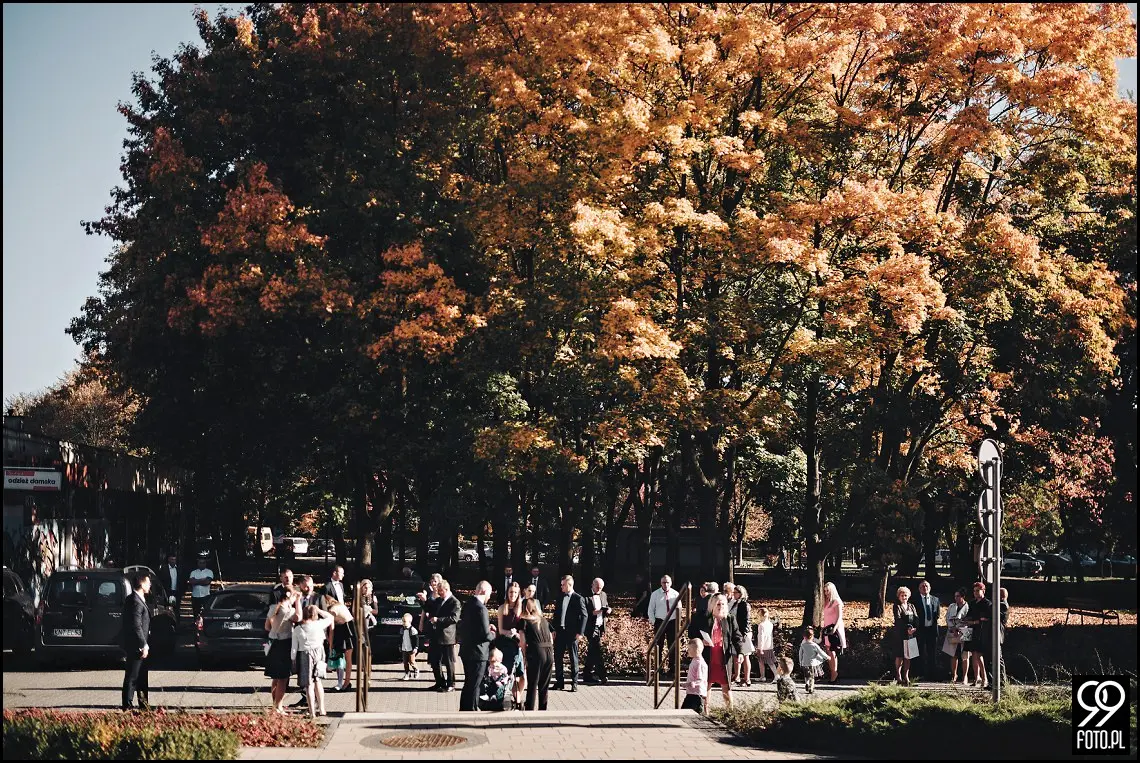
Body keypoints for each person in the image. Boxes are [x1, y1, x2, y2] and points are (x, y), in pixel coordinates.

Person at [291, 604, 335, 718]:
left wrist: (293, 660)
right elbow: (330, 618)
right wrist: (319, 610)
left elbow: (294, 649)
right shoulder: (319, 624)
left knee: (308, 685)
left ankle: (312, 712)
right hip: (319, 653)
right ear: (315, 615)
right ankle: (322, 708)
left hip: (304, 655)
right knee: (318, 681)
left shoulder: (298, 629)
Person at [458, 580, 494, 711]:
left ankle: (464, 709)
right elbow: (486, 635)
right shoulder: (481, 608)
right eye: (489, 594)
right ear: (484, 591)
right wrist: (494, 634)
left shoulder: (468, 604)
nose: (489, 597)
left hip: (466, 650)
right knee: (475, 685)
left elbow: (471, 627)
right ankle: (471, 711)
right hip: (478, 653)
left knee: (468, 683)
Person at [265, 584, 301, 713]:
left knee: (275, 677)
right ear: (289, 596)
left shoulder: (273, 608)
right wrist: (298, 602)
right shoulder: (288, 611)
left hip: (273, 644)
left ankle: (275, 704)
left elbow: (267, 627)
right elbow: (299, 617)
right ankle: (278, 706)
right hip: (284, 644)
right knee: (283, 678)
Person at [121, 570, 152, 711]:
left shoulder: (135, 598)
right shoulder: (135, 601)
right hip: (137, 645)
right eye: (148, 582)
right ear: (142, 583)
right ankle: (127, 705)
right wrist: (143, 644)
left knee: (142, 677)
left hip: (139, 644)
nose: (150, 584)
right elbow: (136, 625)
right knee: (133, 676)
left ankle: (143, 705)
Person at [705, 593, 743, 709]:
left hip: (723, 657)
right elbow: (692, 632)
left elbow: (737, 637)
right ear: (712, 605)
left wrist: (740, 652)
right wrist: (701, 641)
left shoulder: (730, 618)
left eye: (722, 603)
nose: (720, 606)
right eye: (718, 604)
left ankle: (729, 712)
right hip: (708, 656)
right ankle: (705, 710)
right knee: (706, 684)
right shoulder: (704, 617)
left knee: (726, 685)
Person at [551, 575, 588, 691]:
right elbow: (556, 615)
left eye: (563, 584)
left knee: (573, 658)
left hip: (572, 633)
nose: (561, 586)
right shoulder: (560, 597)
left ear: (569, 585)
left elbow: (584, 615)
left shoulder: (578, 598)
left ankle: (574, 682)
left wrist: (580, 632)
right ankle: (559, 682)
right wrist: (553, 629)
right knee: (558, 657)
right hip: (560, 631)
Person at [519, 598, 554, 710]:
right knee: (544, 685)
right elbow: (551, 638)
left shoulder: (523, 621)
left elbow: (523, 641)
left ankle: (529, 709)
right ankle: (543, 709)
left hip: (536, 652)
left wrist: (524, 656)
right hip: (549, 651)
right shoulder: (543, 620)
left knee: (533, 684)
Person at [497, 580, 527, 704]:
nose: (512, 594)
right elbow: (500, 630)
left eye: (515, 592)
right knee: (509, 675)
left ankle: (518, 696)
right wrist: (509, 633)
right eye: (510, 592)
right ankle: (516, 699)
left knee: (523, 676)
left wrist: (518, 636)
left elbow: (525, 629)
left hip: (518, 645)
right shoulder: (502, 608)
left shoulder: (522, 609)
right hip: (505, 645)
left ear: (518, 593)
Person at [430, 580, 461, 692]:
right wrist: (424, 601)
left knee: (449, 662)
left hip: (447, 636)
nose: (439, 593)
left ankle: (451, 683)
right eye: (438, 591)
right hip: (436, 635)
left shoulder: (454, 602)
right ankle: (439, 682)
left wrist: (438, 620)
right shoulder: (439, 600)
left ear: (447, 590)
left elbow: (454, 618)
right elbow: (430, 608)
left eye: (441, 591)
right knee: (435, 660)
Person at [648, 575, 682, 676]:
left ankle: (673, 669)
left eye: (667, 582)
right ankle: (659, 669)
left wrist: (678, 622)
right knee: (659, 646)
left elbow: (679, 609)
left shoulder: (675, 594)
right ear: (660, 583)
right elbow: (650, 610)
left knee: (673, 645)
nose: (665, 584)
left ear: (671, 583)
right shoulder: (655, 594)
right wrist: (654, 622)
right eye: (663, 582)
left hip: (672, 622)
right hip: (660, 621)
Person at [322, 594, 355, 692]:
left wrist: (330, 643)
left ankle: (344, 683)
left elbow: (331, 628)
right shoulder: (339, 605)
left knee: (341, 657)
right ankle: (345, 682)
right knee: (346, 658)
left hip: (344, 630)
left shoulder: (332, 610)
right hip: (348, 628)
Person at [582, 577, 612, 685]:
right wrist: (598, 611)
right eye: (597, 588)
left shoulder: (603, 594)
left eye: (601, 588)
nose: (599, 590)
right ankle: (602, 675)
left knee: (592, 650)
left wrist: (608, 610)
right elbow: (586, 612)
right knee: (597, 649)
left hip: (600, 625)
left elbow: (606, 606)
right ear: (592, 585)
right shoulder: (585, 596)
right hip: (590, 626)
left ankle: (587, 674)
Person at [963, 582, 991, 688]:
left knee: (979, 656)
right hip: (970, 631)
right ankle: (976, 678)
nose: (975, 593)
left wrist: (974, 622)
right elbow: (969, 615)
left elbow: (985, 619)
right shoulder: (972, 603)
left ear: (983, 591)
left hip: (981, 631)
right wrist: (964, 620)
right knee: (973, 655)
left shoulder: (987, 603)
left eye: (977, 590)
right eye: (974, 591)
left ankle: (985, 679)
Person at [891, 585, 920, 685]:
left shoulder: (912, 606)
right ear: (899, 596)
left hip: (911, 634)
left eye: (906, 595)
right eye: (902, 595)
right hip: (901, 634)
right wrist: (907, 628)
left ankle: (906, 676)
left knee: (909, 656)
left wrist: (914, 628)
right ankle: (898, 676)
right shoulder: (897, 606)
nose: (904, 597)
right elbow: (898, 620)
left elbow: (916, 618)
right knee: (900, 656)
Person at [820, 581, 847, 683]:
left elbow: (839, 616)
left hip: (834, 629)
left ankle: (834, 673)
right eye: (825, 591)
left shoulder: (837, 602)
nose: (826, 593)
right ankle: (832, 672)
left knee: (832, 650)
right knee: (828, 650)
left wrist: (835, 628)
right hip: (827, 628)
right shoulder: (826, 602)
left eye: (828, 591)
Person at [942, 588, 970, 684]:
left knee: (965, 655)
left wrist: (959, 628)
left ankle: (965, 676)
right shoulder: (951, 606)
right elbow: (947, 618)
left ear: (963, 597)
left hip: (964, 631)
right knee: (953, 654)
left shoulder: (967, 607)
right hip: (952, 631)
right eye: (955, 596)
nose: (956, 598)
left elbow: (967, 620)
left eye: (958, 596)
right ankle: (954, 675)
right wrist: (953, 628)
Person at [915, 580, 940, 680]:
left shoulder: (936, 599)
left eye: (926, 586)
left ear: (929, 588)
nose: (925, 587)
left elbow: (937, 614)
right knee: (920, 652)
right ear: (919, 589)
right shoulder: (915, 600)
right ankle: (920, 674)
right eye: (922, 586)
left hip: (932, 630)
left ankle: (932, 675)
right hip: (920, 630)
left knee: (932, 653)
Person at [731, 584, 754, 686]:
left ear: (740, 593)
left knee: (745, 656)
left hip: (743, 632)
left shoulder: (744, 604)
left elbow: (746, 620)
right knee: (736, 655)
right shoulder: (735, 603)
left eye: (735, 593)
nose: (733, 594)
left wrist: (744, 633)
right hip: (736, 632)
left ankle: (747, 679)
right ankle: (737, 676)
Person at [797, 626, 830, 694]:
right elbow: (821, 652)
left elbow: (800, 654)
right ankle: (811, 688)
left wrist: (800, 661)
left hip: (804, 663)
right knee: (812, 676)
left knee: (806, 675)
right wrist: (827, 657)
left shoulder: (803, 645)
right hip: (812, 663)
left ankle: (806, 683)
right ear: (812, 637)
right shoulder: (814, 645)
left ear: (804, 636)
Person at [682, 638, 708, 714]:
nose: (688, 651)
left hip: (697, 694)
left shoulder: (700, 663)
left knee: (695, 713)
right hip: (691, 692)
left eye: (690, 649)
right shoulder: (694, 660)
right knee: (685, 711)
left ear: (696, 650)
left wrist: (690, 684)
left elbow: (700, 679)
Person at [754, 607, 778, 682]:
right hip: (769, 645)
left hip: (763, 646)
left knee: (763, 662)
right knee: (767, 661)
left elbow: (761, 637)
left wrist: (760, 648)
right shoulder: (770, 624)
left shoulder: (761, 625)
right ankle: (763, 676)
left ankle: (775, 675)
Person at [399, 612, 420, 680]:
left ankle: (416, 670)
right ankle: (407, 673)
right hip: (404, 647)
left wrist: (416, 647)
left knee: (412, 661)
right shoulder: (402, 630)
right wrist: (400, 646)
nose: (403, 623)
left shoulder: (413, 630)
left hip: (411, 648)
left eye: (405, 621)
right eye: (403, 621)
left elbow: (416, 639)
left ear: (410, 621)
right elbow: (400, 638)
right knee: (405, 662)